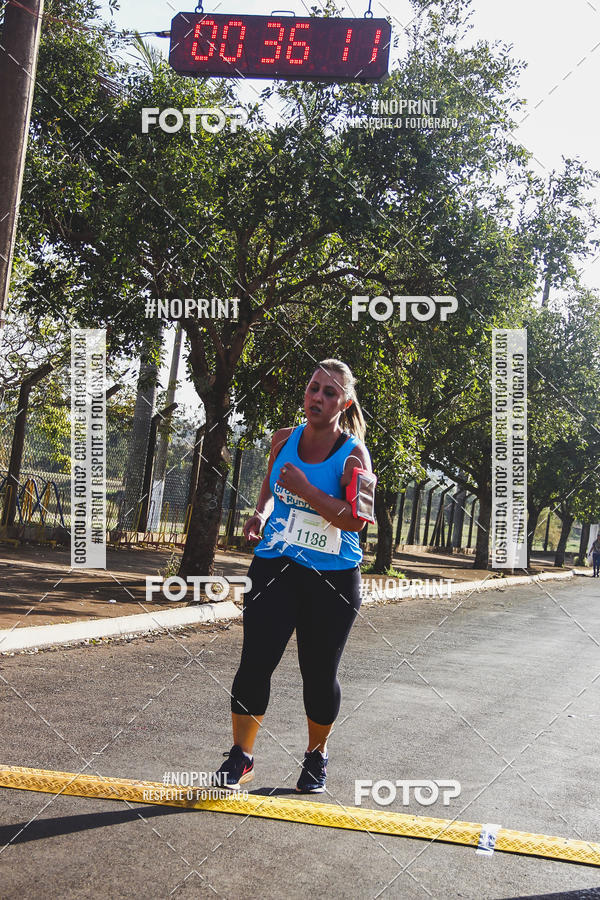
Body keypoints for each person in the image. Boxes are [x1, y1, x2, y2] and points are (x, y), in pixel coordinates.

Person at [213, 359, 376, 794]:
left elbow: (357, 521)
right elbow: (270, 489)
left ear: (345, 403)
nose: (317, 397)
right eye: (313, 388)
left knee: (318, 675)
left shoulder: (353, 453)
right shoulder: (283, 439)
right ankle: (241, 755)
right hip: (275, 566)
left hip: (332, 578)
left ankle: (316, 754)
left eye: (329, 392)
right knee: (254, 662)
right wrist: (259, 515)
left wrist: (307, 490)